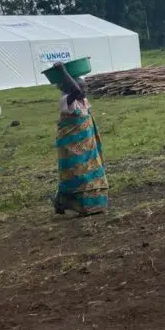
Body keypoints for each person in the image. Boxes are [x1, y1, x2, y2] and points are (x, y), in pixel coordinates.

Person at [51, 62, 109, 216]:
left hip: (88, 147)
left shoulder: (83, 101)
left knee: (91, 173)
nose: (84, 90)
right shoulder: (66, 101)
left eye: (85, 87)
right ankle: (71, 204)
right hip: (73, 148)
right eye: (82, 88)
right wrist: (63, 72)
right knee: (77, 175)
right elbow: (75, 90)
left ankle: (93, 205)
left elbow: (78, 91)